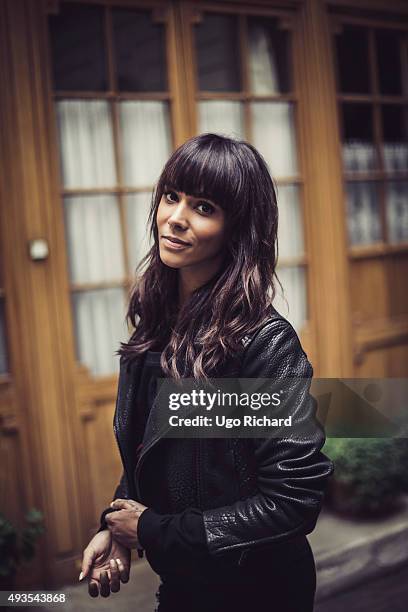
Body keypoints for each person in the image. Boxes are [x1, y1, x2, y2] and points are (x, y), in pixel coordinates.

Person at [79, 133, 334, 611]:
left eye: (204, 207)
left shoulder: (264, 344)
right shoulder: (153, 323)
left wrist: (151, 529)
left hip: (257, 592)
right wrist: (115, 528)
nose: (175, 218)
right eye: (172, 197)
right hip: (183, 587)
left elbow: (293, 500)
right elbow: (151, 455)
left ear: (237, 228)